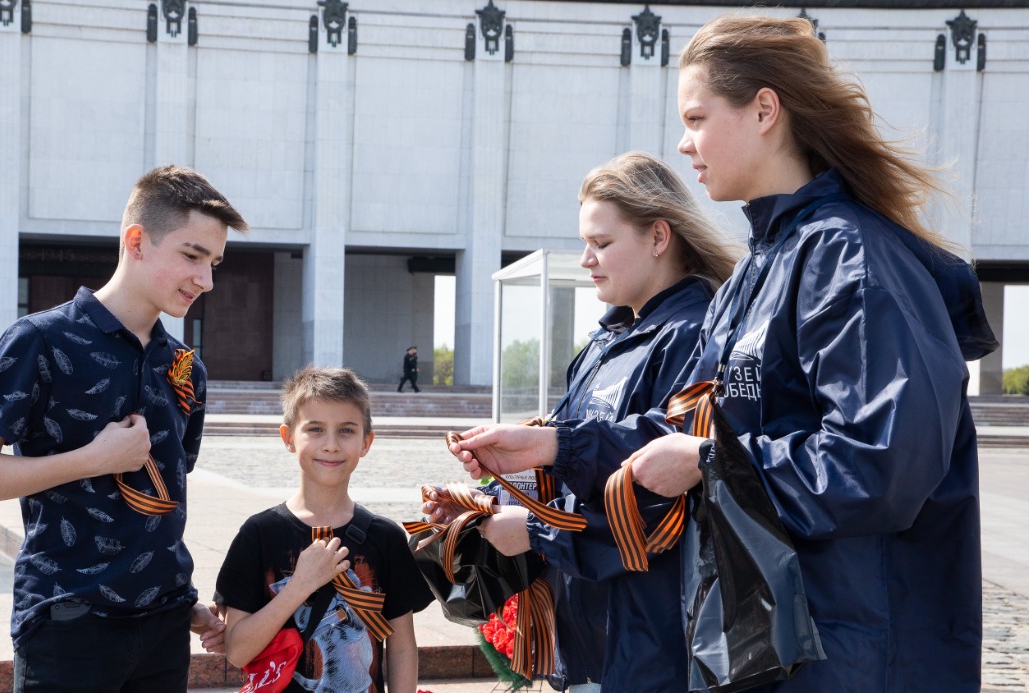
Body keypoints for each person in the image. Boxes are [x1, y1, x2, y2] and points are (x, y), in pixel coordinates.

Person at [449, 15, 997, 692]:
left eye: (698, 117)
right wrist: (558, 446)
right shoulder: (756, 274)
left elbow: (882, 463)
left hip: (857, 652)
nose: (684, 143)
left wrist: (707, 463)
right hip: (771, 650)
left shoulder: (850, 260)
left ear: (765, 109)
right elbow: (696, 433)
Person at [428, 153, 738, 692]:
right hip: (588, 639)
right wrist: (493, 501)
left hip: (653, 646)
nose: (587, 260)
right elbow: (574, 479)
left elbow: (658, 508)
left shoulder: (691, 335)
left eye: (602, 243)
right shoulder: (602, 343)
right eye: (585, 244)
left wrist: (532, 532)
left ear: (659, 237)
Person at [0, 165, 249, 692]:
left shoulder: (184, 367)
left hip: (163, 624)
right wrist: (92, 459)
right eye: (192, 255)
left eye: (214, 262)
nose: (206, 280)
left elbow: (161, 504)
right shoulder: (42, 340)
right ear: (136, 241)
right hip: (68, 620)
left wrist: (179, 594)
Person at [213, 366, 432, 693]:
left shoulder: (385, 538)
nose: (331, 445)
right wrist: (299, 585)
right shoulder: (258, 534)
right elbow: (237, 649)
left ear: (366, 442)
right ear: (288, 438)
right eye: (315, 429)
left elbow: (401, 646)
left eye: (346, 430)